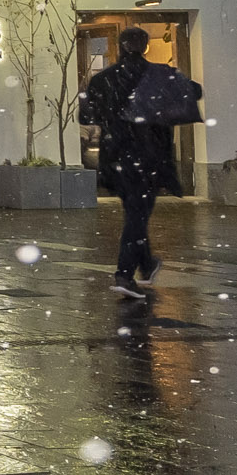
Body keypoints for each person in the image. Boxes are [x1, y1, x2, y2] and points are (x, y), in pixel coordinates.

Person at [81, 27, 196, 299]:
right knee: (137, 216)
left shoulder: (104, 79)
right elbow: (192, 92)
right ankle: (124, 273)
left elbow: (86, 116)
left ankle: (146, 264)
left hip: (114, 157)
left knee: (135, 213)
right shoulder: (160, 76)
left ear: (120, 47)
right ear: (145, 47)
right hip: (148, 158)